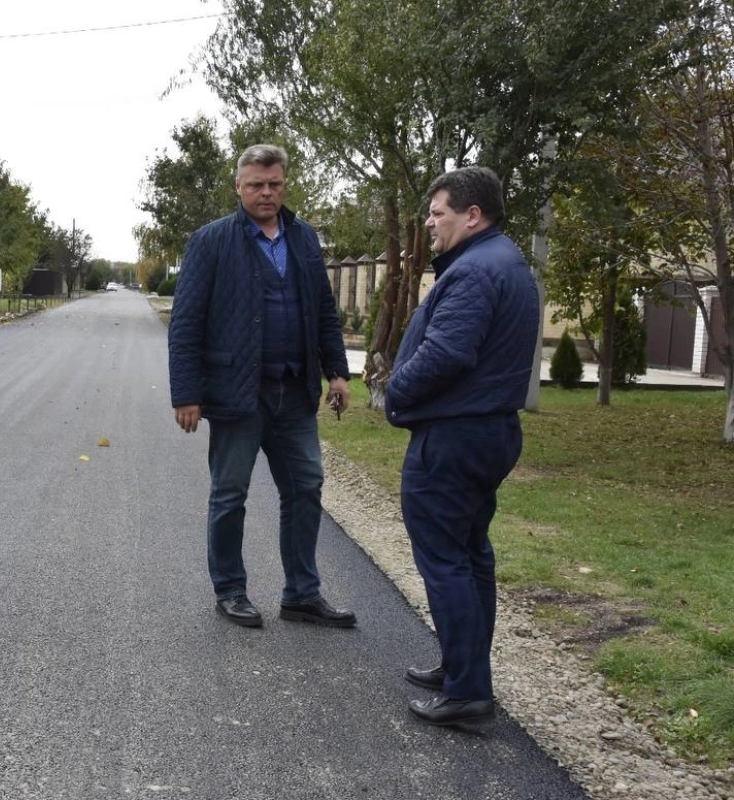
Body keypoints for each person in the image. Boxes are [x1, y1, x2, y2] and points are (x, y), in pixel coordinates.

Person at [168, 144, 355, 630]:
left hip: (294, 392)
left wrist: (337, 371)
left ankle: (302, 594)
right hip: (238, 393)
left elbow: (324, 311)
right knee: (230, 494)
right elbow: (185, 323)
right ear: (239, 187)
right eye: (256, 185)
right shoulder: (211, 241)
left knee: (306, 487)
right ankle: (230, 590)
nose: (266, 192)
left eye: (274, 184)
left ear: (284, 184)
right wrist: (186, 393)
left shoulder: (304, 238)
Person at [385, 165, 539, 725]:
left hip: (454, 438)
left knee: (447, 560)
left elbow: (447, 353)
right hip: (485, 432)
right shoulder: (505, 261)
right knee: (470, 555)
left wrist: (395, 390)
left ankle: (468, 692)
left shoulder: (475, 270)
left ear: (473, 215)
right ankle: (462, 667)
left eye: (438, 213)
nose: (429, 222)